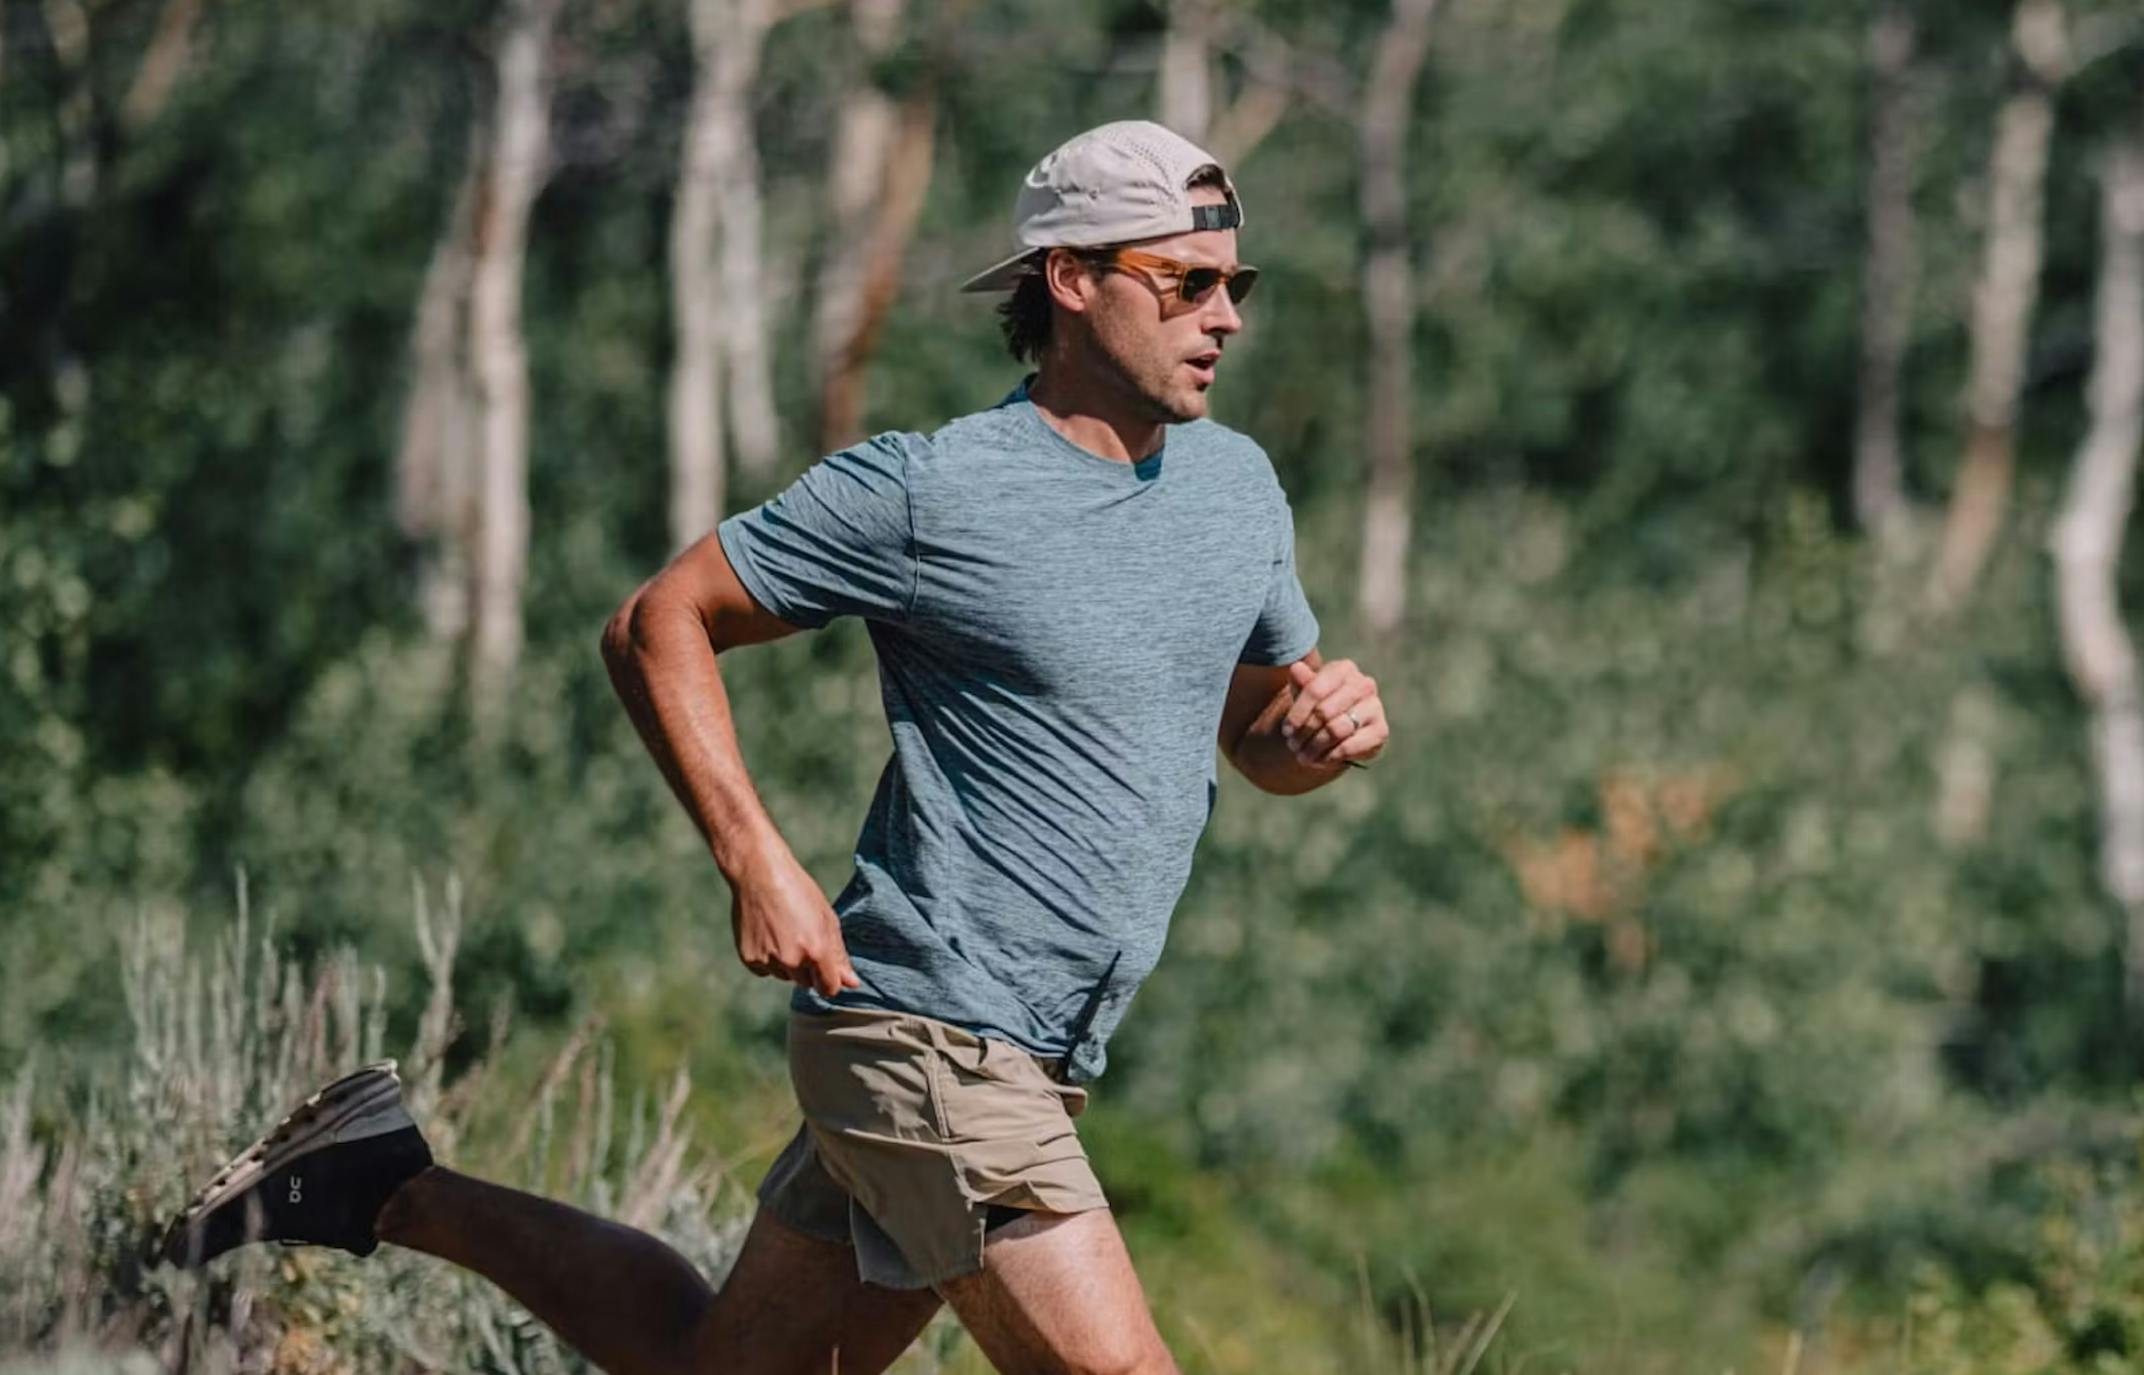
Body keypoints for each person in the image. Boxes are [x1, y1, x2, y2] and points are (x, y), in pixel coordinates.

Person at [160, 120, 1388, 1375]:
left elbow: (1251, 738)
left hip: (1040, 1048)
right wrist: (754, 857)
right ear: (1070, 279)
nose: (1225, 316)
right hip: (927, 1028)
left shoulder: (1237, 489)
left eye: (1235, 284)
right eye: (1187, 283)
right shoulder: (929, 492)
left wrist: (1318, 738)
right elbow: (657, 623)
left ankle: (380, 1183)